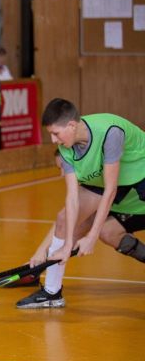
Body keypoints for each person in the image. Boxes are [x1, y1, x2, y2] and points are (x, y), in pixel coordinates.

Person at [16, 98, 145, 308]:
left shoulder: (110, 132)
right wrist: (67, 245)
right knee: (63, 218)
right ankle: (52, 292)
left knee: (102, 229)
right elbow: (72, 198)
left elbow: (110, 190)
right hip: (107, 177)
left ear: (71, 125)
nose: (53, 140)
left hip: (140, 170)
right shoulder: (67, 148)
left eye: (56, 133)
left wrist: (91, 237)